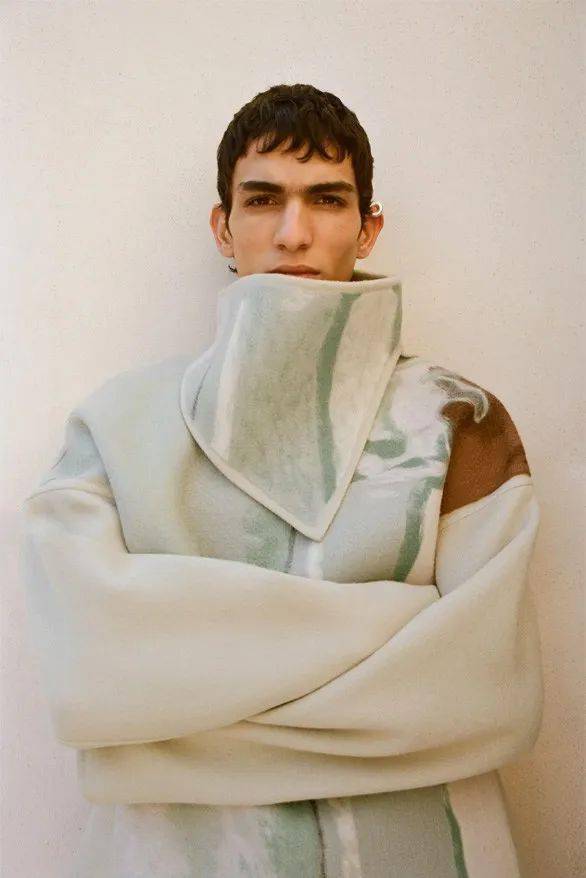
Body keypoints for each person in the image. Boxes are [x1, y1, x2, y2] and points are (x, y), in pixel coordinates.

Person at [21, 83, 544, 877]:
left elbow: (486, 691)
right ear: (222, 227)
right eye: (263, 199)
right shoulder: (114, 427)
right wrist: (396, 638)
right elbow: (88, 680)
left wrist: (170, 720)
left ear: (368, 228)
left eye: (327, 200)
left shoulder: (459, 421)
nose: (294, 232)